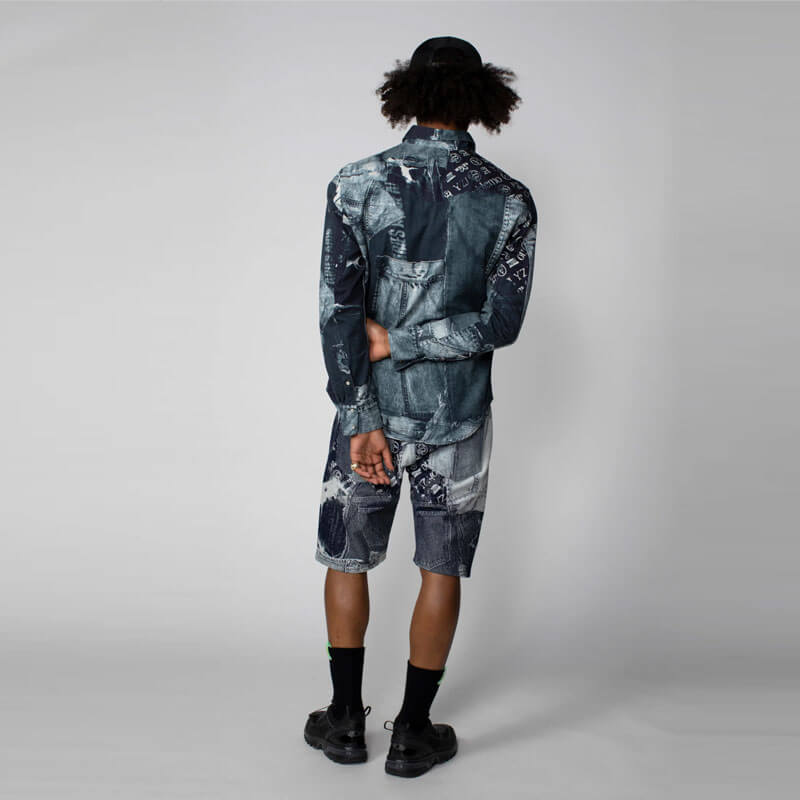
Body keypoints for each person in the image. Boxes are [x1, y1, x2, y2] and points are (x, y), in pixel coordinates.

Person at [304, 35, 538, 777]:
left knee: (348, 557)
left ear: (407, 92)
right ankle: (411, 732)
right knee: (442, 570)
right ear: (482, 98)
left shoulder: (355, 184)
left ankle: (345, 722)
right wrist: (415, 341)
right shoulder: (509, 199)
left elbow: (337, 314)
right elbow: (501, 324)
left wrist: (360, 417)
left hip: (367, 416)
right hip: (458, 418)